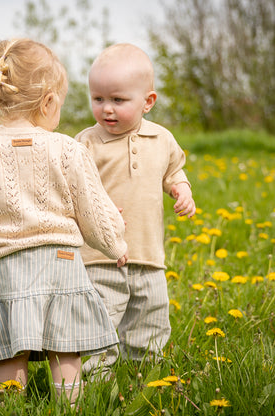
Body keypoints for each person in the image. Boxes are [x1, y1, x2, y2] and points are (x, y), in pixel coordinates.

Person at [0, 38, 128, 404]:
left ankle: (10, 405)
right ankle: (71, 406)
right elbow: (94, 209)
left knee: (10, 345)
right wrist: (116, 244)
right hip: (63, 264)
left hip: (7, 265)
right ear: (49, 101)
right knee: (65, 346)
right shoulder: (68, 149)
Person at [75, 43, 196, 375]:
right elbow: (74, 188)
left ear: (148, 102)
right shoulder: (85, 143)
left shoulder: (162, 139)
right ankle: (96, 381)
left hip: (148, 253)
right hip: (101, 255)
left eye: (118, 100)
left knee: (151, 317)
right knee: (99, 319)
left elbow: (173, 171)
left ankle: (145, 377)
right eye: (98, 99)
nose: (106, 109)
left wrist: (181, 189)